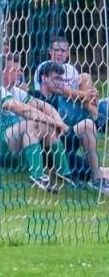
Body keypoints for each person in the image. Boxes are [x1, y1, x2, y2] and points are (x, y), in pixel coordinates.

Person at [0, 55, 68, 191]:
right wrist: (55, 122)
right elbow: (22, 109)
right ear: (2, 71)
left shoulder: (15, 91)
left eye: (20, 69)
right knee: (29, 124)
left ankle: (66, 173)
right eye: (15, 70)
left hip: (9, 142)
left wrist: (57, 121)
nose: (20, 73)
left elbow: (45, 106)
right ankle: (37, 176)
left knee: (46, 126)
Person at [33, 61, 108, 191]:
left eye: (61, 79)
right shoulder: (34, 96)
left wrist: (91, 98)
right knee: (87, 126)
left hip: (64, 144)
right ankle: (96, 179)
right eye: (56, 78)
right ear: (44, 78)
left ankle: (97, 179)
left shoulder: (58, 98)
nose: (59, 83)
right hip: (48, 150)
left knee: (96, 169)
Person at [34, 36, 109, 131]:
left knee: (85, 77)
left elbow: (80, 90)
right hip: (57, 108)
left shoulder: (71, 69)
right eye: (57, 50)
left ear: (68, 53)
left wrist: (92, 94)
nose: (60, 54)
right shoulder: (45, 67)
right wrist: (85, 94)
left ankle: (97, 118)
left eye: (63, 51)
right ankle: (98, 120)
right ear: (50, 51)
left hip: (76, 106)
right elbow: (60, 90)